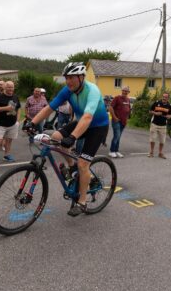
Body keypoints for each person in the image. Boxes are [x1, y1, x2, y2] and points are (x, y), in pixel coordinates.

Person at [26, 62, 109, 217]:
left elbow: (88, 116)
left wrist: (72, 137)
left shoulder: (92, 90)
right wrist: (32, 122)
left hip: (97, 126)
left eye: (72, 77)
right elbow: (49, 108)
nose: (68, 81)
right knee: (56, 137)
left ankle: (82, 202)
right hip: (81, 123)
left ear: (81, 77)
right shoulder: (67, 90)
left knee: (83, 164)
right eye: (66, 78)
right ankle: (71, 167)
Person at [0, 81, 21, 166]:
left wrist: (17, 120)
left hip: (12, 124)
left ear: (14, 88)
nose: (10, 89)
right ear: (5, 88)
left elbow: (18, 108)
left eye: (12, 87)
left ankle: (7, 155)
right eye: (8, 87)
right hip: (1, 123)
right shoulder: (0, 97)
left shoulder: (15, 97)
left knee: (9, 140)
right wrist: (6, 108)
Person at [108, 86, 131, 158]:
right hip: (116, 121)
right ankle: (112, 151)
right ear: (122, 91)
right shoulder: (117, 98)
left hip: (123, 122)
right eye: (124, 90)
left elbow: (128, 109)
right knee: (116, 136)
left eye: (126, 91)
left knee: (119, 136)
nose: (125, 92)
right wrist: (114, 117)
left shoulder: (128, 99)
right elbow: (110, 107)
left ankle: (116, 151)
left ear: (128, 92)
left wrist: (127, 118)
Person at [148, 92, 171, 158]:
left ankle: (160, 153)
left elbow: (170, 114)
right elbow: (150, 111)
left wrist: (169, 116)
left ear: (168, 98)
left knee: (162, 141)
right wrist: (155, 113)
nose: (164, 98)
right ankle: (151, 152)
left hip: (163, 125)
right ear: (162, 96)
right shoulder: (156, 103)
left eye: (166, 97)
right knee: (152, 139)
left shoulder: (169, 106)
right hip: (154, 124)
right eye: (163, 96)